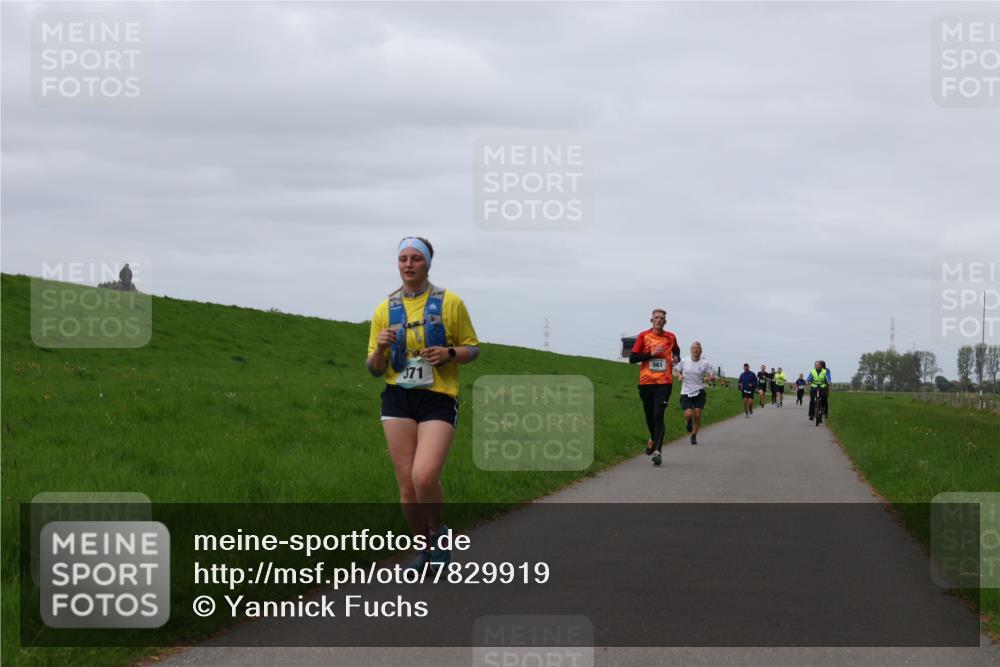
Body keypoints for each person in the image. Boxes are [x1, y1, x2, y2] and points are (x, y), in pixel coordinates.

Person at [367, 237, 480, 570]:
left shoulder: (450, 303)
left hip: (438, 397)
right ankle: (425, 550)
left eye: (416, 258)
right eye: (403, 258)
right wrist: (381, 349)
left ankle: (439, 533)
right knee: (405, 481)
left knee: (424, 476)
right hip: (398, 395)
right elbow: (373, 369)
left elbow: (472, 348)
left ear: (428, 263)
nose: (408, 264)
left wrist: (448, 353)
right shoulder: (384, 309)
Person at [629, 309, 680, 466]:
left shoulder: (671, 337)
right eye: (656, 317)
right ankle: (653, 437)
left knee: (658, 414)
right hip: (646, 383)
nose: (659, 320)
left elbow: (676, 351)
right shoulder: (643, 336)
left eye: (662, 318)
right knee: (650, 416)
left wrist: (676, 358)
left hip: (664, 383)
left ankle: (658, 451)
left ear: (665, 322)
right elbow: (632, 359)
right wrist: (650, 354)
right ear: (651, 320)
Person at [676, 341, 715, 444]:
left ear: (700, 350)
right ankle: (688, 422)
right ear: (691, 350)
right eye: (694, 348)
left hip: (699, 391)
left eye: (698, 348)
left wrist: (710, 378)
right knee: (689, 414)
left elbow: (712, 375)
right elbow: (677, 370)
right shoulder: (684, 361)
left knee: (697, 415)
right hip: (686, 391)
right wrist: (680, 376)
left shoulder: (705, 363)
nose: (696, 349)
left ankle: (693, 435)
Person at [807, 360, 831, 425]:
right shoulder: (812, 371)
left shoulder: (825, 371)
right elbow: (809, 377)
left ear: (821, 366)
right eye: (816, 365)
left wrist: (829, 382)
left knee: (824, 398)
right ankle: (811, 415)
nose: (817, 366)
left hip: (822, 387)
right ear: (815, 366)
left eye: (818, 365)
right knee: (812, 400)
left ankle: (823, 410)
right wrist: (808, 381)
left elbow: (828, 378)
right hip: (814, 387)